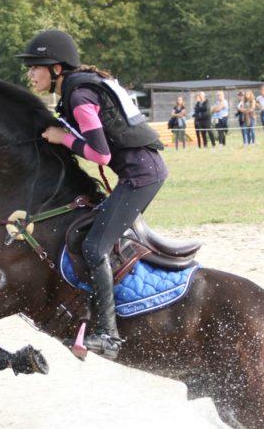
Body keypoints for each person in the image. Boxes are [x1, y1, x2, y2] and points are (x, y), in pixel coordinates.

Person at [18, 29, 168, 359]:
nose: (30, 73)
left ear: (56, 68)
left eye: (35, 67)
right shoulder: (79, 87)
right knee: (86, 234)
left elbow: (99, 154)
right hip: (141, 172)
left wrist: (61, 138)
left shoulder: (79, 96)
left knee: (93, 244)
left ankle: (108, 334)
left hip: (141, 177)